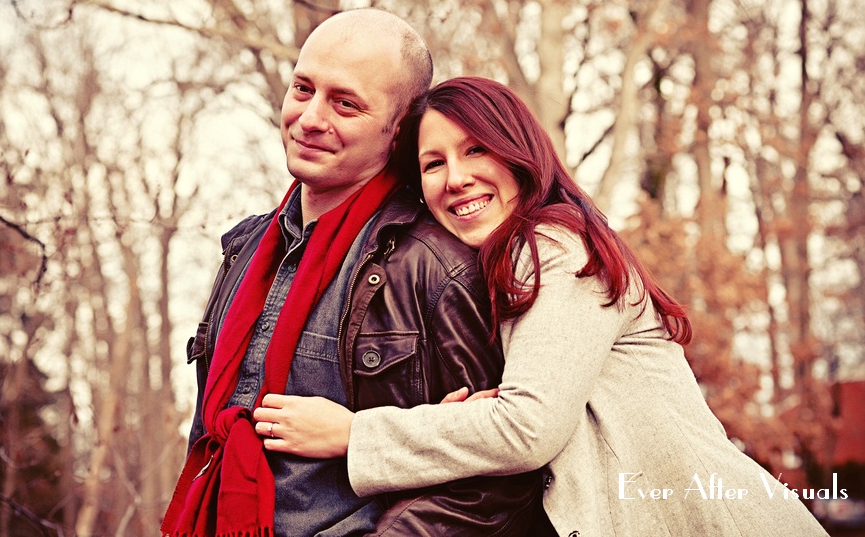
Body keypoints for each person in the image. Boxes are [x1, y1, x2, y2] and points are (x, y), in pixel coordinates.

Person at [254, 77, 830, 536]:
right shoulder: (504, 266)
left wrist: (356, 434)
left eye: (476, 149)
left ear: (519, 154)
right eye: (433, 164)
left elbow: (529, 427)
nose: (456, 178)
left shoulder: (557, 246)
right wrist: (465, 415)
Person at [161, 13, 540, 537]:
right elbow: (210, 430)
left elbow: (494, 482)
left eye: (345, 103)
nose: (310, 118)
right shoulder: (244, 252)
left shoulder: (436, 266)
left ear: (400, 129)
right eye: (303, 88)